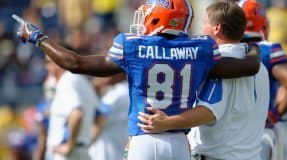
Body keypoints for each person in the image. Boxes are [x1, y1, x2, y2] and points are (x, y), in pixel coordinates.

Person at [12, 0, 261, 159]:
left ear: (159, 17)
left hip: (143, 140)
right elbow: (247, 67)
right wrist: (254, 46)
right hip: (179, 144)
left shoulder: (133, 46)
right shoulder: (201, 49)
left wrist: (37, 38)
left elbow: (76, 64)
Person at [137, 1, 269, 160]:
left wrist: (167, 122)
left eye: (205, 22)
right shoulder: (260, 66)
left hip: (218, 156)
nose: (201, 28)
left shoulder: (220, 62)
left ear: (217, 28)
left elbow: (209, 111)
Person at [238, 1, 287, 159]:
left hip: (228, 132)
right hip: (259, 133)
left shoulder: (222, 50)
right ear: (263, 24)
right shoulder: (268, 50)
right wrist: (273, 114)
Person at [43, 57, 99, 160]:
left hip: (66, 153)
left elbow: (76, 114)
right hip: (81, 149)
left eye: (48, 62)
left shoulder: (66, 81)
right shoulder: (83, 81)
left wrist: (70, 145)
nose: (46, 66)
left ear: (60, 61)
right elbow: (100, 115)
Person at [89, 73, 129, 160]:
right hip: (123, 144)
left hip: (105, 149)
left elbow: (100, 120)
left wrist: (85, 144)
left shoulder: (114, 94)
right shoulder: (131, 91)